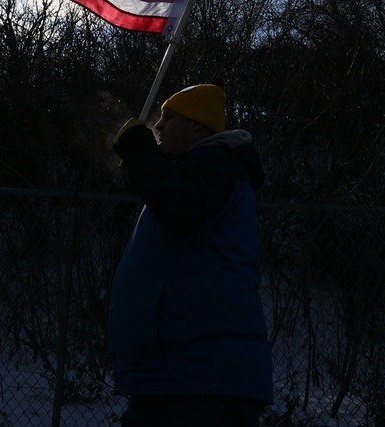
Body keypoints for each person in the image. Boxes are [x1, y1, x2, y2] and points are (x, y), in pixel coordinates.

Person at [109, 82, 273, 427]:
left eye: (169, 118)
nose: (158, 125)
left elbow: (181, 209)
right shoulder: (203, 169)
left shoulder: (217, 163)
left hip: (200, 374)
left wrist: (141, 154)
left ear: (198, 125)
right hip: (182, 372)